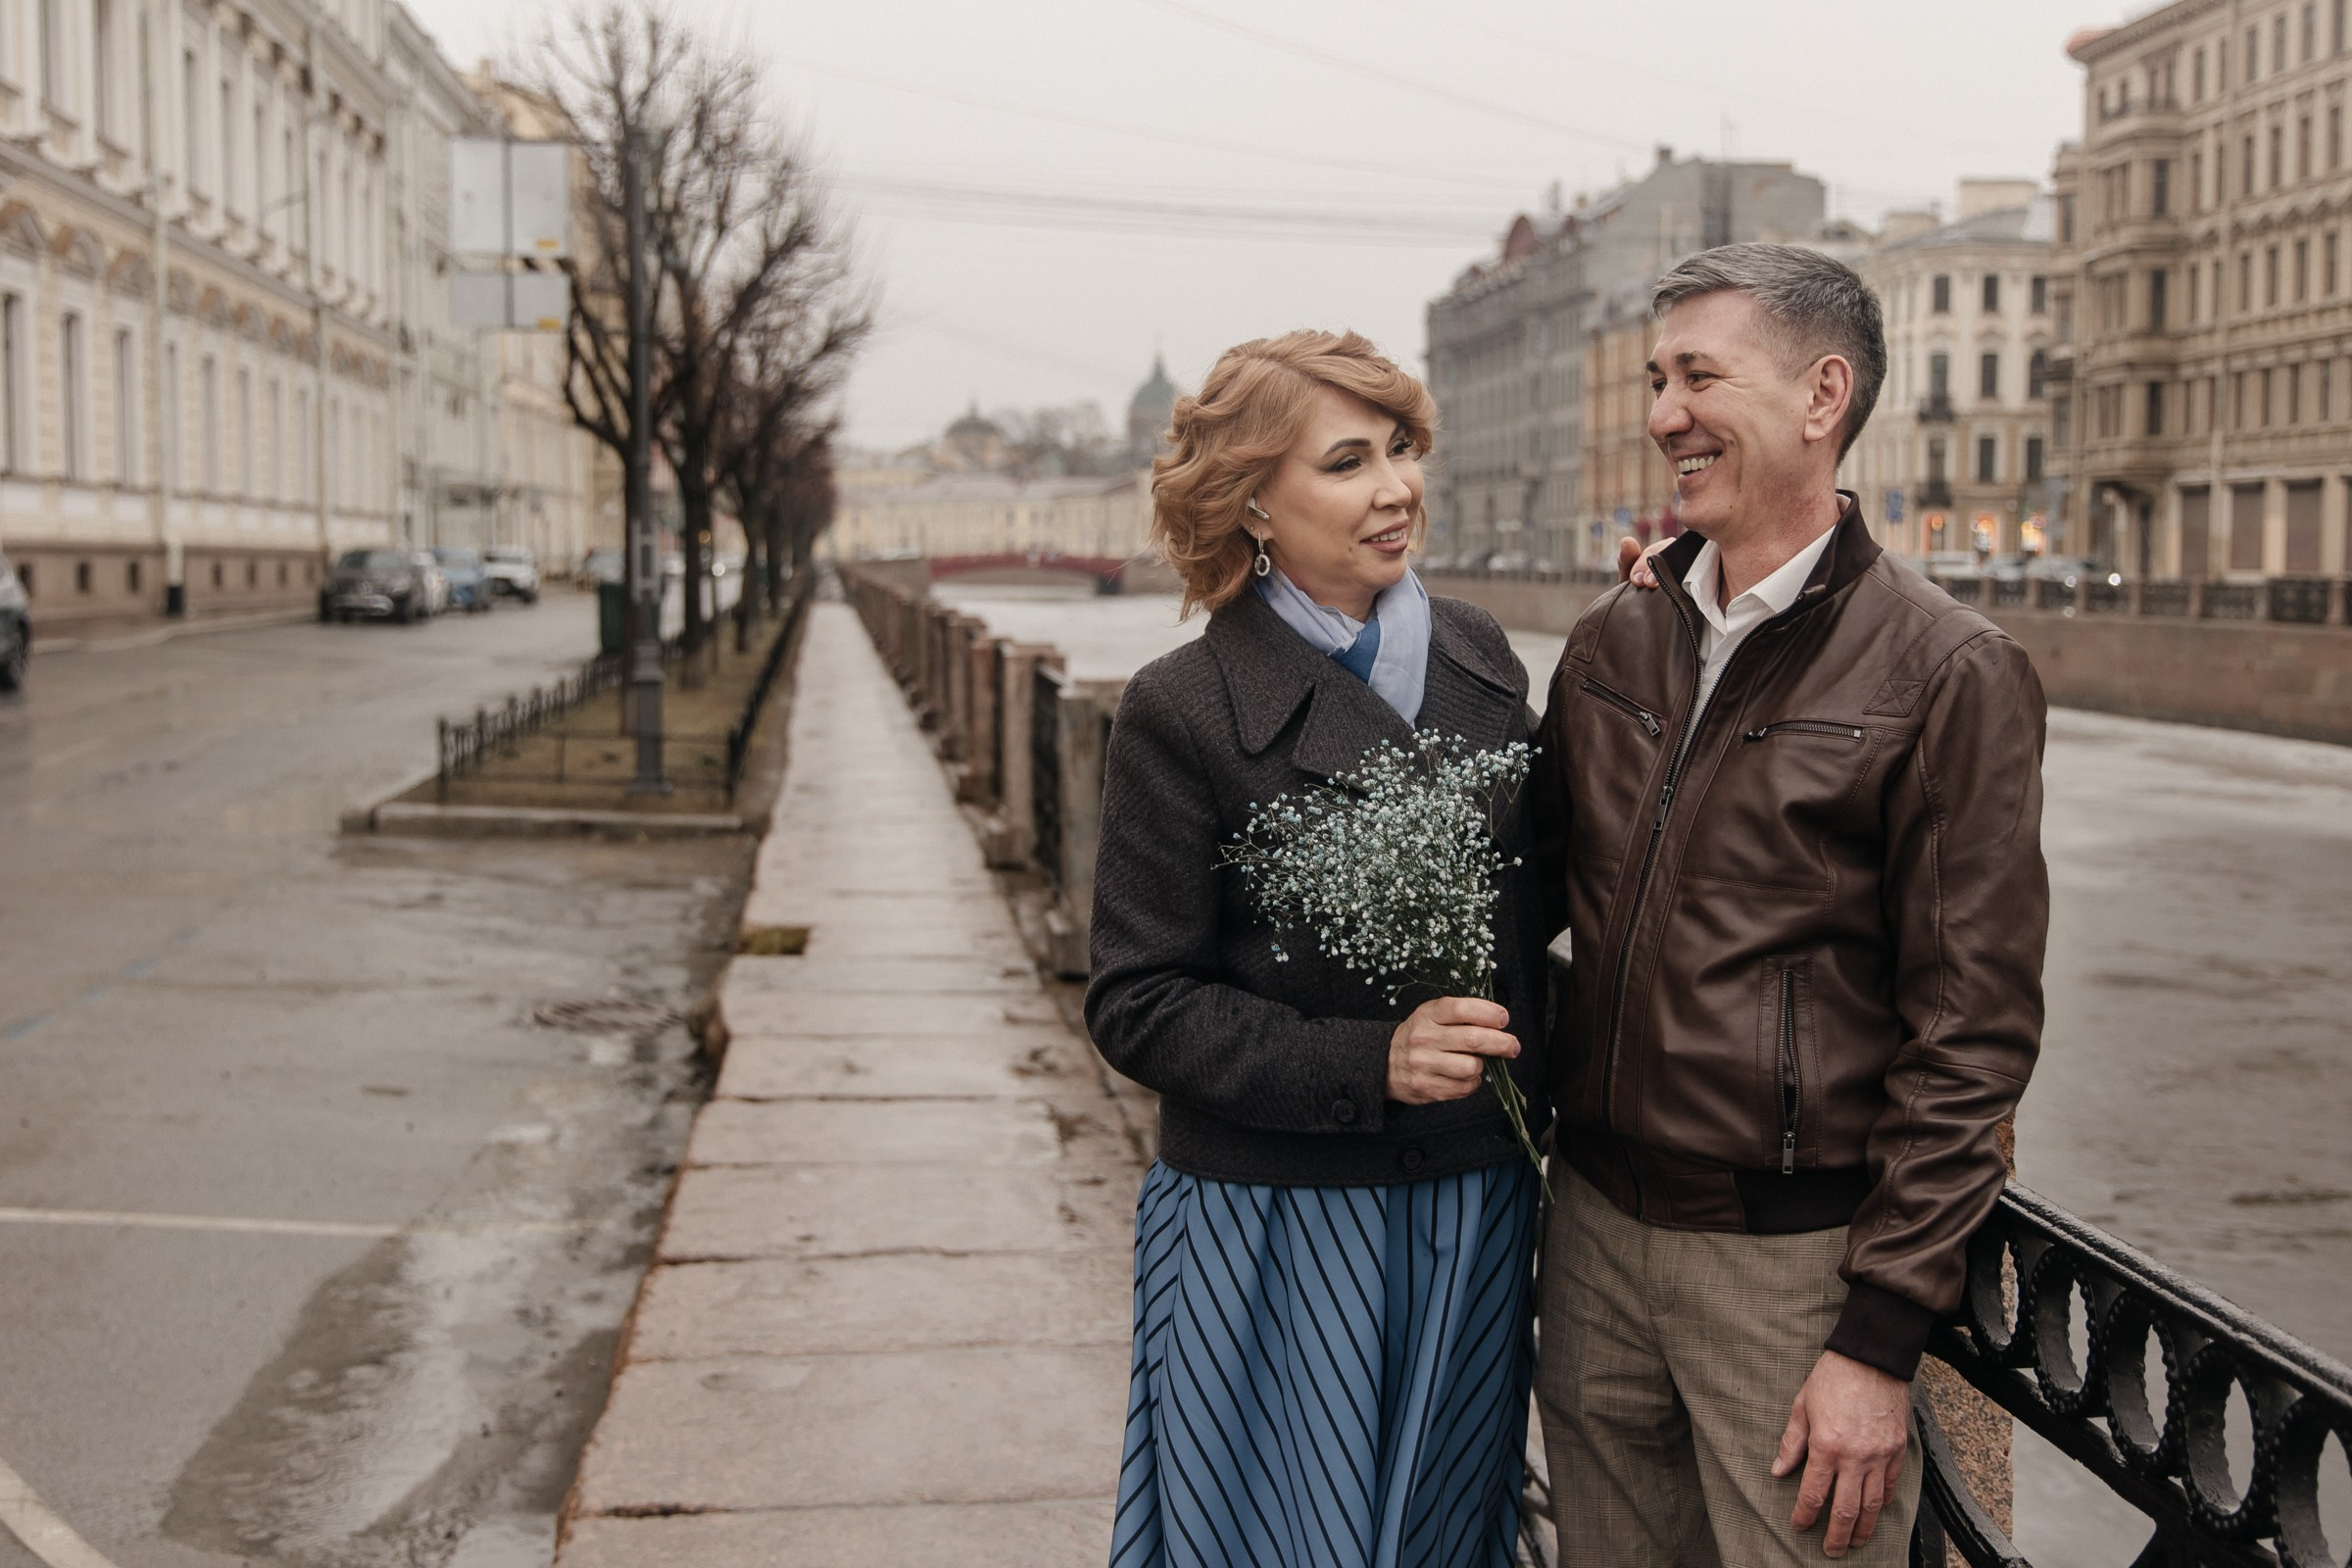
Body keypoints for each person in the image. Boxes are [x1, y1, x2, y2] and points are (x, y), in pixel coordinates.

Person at [1531, 243, 2049, 1565]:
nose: (1663, 415)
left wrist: (1880, 1339)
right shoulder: (1614, 640)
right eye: (1657, 379)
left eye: (1700, 375)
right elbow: (1525, 895)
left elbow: (1973, 1032)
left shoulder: (1948, 668)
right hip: (1589, 1238)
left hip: (1787, 1277)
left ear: (1824, 396)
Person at [1085, 329, 1552, 1568]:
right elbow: (1135, 1001)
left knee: (1449, 1533)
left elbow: (1550, 892)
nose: (1397, 487)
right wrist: (1370, 1060)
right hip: (1273, 1219)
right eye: (1348, 461)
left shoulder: (1481, 657)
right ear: (1251, 501)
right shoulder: (1181, 707)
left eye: (1402, 449)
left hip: (1468, 1203)